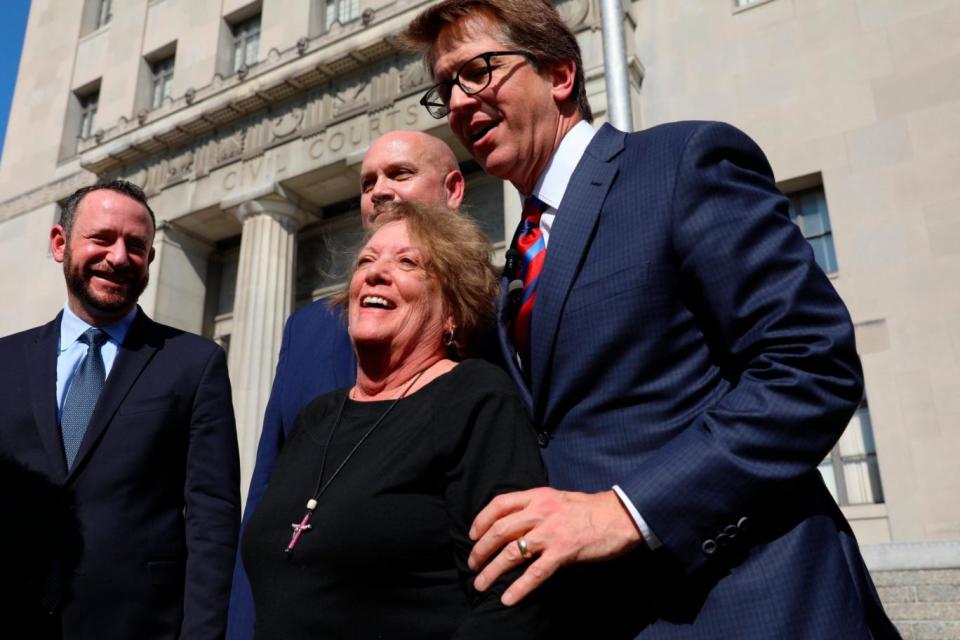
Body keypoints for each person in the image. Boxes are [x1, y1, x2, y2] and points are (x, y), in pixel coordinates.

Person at [403, 1, 899, 638]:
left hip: (754, 604)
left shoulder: (681, 163)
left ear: (560, 74)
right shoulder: (516, 266)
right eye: (446, 87)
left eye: (478, 71)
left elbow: (810, 365)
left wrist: (628, 512)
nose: (462, 102)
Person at [241, 201, 549, 638]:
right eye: (367, 260)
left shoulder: (476, 397)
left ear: (453, 313)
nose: (375, 272)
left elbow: (510, 596)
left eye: (407, 262)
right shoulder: (316, 416)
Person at [226, 131, 466, 637]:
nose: (378, 190)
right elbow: (268, 488)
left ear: (453, 189)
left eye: (399, 174)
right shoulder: (308, 330)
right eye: (367, 182)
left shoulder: (490, 317)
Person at [0, 180, 240, 639]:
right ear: (60, 243)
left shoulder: (193, 363)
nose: (118, 257)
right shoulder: (5, 361)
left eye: (136, 245)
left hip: (139, 623)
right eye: (102, 238)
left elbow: (213, 515)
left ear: (150, 260)